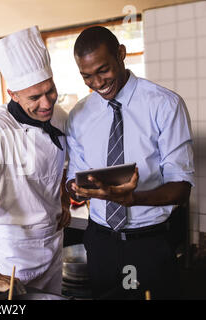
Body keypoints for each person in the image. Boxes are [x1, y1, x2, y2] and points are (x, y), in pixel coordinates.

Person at [65, 26, 195, 299]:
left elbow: (181, 188)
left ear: (121, 54)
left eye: (103, 70)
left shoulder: (164, 105)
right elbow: (74, 176)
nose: (97, 83)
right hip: (99, 242)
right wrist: (76, 189)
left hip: (147, 243)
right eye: (87, 76)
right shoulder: (79, 115)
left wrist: (130, 199)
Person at [0, 26, 71, 294]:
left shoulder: (60, 117)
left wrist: (64, 200)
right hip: (15, 253)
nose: (46, 103)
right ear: (13, 95)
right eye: (35, 97)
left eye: (50, 90)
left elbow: (62, 165)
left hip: (53, 243)